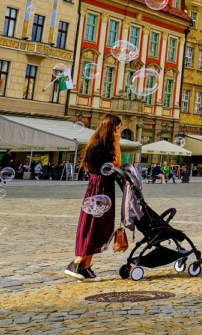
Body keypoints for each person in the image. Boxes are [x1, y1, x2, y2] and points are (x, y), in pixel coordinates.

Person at [65, 113, 122, 281]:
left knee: (101, 225)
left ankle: (86, 266)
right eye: (116, 129)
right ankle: (77, 262)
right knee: (94, 224)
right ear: (108, 128)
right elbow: (117, 163)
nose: (118, 133)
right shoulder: (98, 145)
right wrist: (118, 143)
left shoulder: (102, 144)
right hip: (99, 187)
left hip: (103, 186)